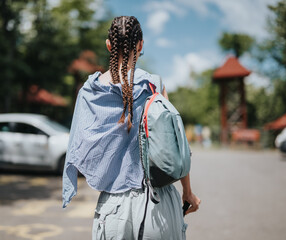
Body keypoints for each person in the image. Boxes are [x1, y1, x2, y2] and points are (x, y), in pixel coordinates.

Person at [62, 16, 200, 239]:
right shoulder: (154, 85)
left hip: (112, 210)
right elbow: (177, 145)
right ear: (141, 44)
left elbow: (77, 149)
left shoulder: (90, 91)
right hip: (159, 205)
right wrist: (188, 193)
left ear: (109, 44)